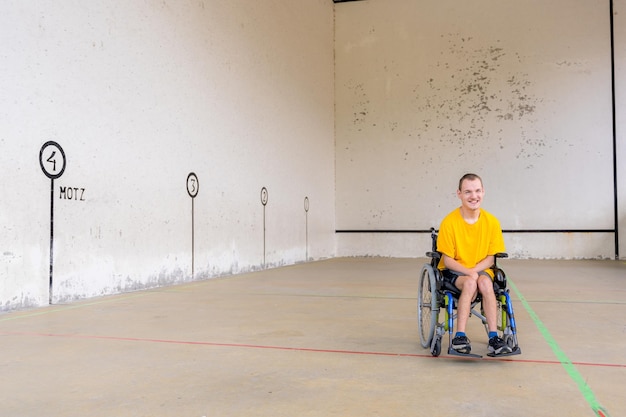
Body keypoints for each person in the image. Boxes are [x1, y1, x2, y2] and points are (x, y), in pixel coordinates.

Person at [436, 173, 512, 356]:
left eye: (477, 191)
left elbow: (490, 259)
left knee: (485, 283)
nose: (473, 196)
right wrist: (469, 273)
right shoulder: (449, 222)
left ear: (483, 192)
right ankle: (459, 336)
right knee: (470, 282)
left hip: (481, 269)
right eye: (468, 191)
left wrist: (475, 272)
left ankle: (494, 337)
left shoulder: (492, 222)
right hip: (455, 270)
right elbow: (447, 260)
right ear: (459, 194)